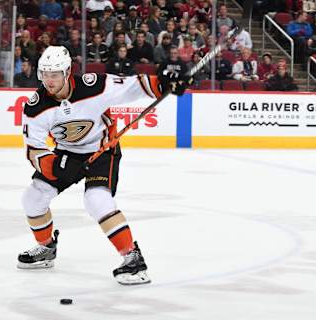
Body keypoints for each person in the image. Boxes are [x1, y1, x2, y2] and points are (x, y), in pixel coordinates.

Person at [17, 45, 189, 284]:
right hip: (65, 155)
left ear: (67, 72)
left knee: (96, 200)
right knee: (32, 198)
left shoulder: (93, 86)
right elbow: (34, 149)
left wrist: (163, 84)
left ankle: (133, 259)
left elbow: (133, 86)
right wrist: (56, 166)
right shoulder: (36, 106)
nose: (49, 80)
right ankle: (46, 248)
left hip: (102, 150)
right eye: (45, 74)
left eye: (54, 74)